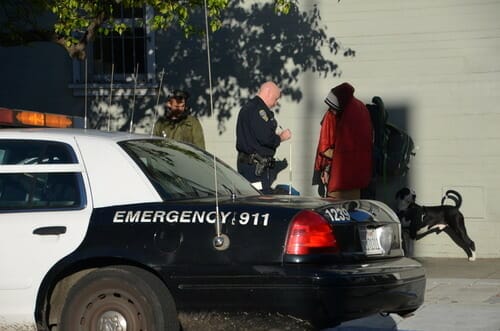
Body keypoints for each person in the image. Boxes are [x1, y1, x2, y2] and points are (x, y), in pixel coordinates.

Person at [312, 82, 373, 199]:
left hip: (340, 179)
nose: (332, 111)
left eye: (333, 108)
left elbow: (327, 147)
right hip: (359, 177)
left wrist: (326, 168)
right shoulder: (361, 109)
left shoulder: (339, 116)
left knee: (337, 210)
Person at [236, 81, 291, 193]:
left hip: (248, 164)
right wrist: (281, 137)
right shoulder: (259, 110)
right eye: (275, 99)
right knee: (259, 197)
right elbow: (265, 137)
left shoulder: (247, 108)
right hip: (256, 167)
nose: (275, 103)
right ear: (268, 92)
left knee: (250, 195)